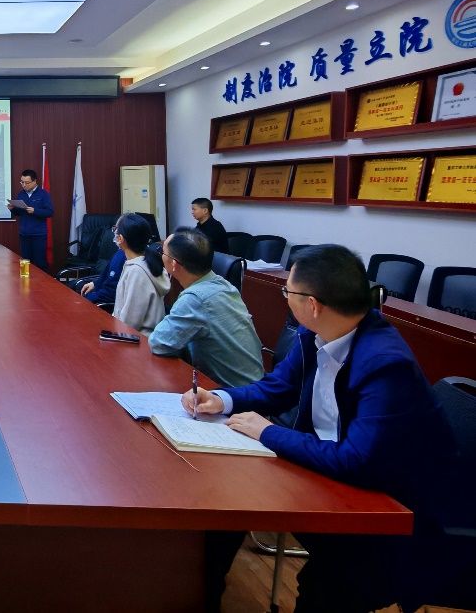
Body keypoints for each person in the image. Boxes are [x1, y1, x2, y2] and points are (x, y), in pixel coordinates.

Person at [185, 245, 458, 612]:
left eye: (288, 291)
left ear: (312, 304)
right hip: (327, 473)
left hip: (388, 511)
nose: (285, 297)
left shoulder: (385, 364)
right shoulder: (314, 333)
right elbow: (279, 387)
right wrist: (222, 399)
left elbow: (356, 459)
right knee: (227, 505)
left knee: (327, 585)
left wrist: (267, 432)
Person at [148, 229, 263, 388]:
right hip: (256, 388)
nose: (160, 255)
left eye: (163, 252)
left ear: (174, 264)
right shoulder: (224, 284)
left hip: (234, 396)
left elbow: (159, 343)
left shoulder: (195, 299)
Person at [110, 213, 170, 333]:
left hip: (137, 339)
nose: (114, 233)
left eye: (115, 230)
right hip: (133, 335)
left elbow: (129, 323)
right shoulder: (143, 262)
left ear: (120, 239)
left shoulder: (137, 271)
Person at [7, 169, 54, 273]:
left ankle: (42, 282)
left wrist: (35, 211)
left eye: (27, 182)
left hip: (38, 234)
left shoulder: (43, 194)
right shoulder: (21, 194)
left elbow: (50, 212)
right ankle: (24, 280)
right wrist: (13, 209)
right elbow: (19, 213)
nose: (24, 185)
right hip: (24, 234)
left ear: (34, 181)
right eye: (22, 182)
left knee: (40, 262)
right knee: (25, 261)